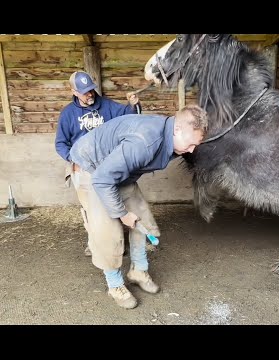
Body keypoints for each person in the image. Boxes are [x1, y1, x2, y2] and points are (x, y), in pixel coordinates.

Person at [69, 105, 208, 309]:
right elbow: (102, 180)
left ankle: (138, 271)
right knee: (107, 230)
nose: (192, 150)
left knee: (142, 217)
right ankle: (115, 284)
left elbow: (120, 171)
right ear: (177, 130)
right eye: (191, 143)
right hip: (92, 169)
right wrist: (122, 214)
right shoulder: (145, 142)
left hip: (115, 171)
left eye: (196, 145)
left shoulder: (173, 138)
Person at [55, 71, 142, 256]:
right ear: (74, 91)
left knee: (114, 203)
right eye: (85, 92)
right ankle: (94, 243)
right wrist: (73, 158)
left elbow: (128, 116)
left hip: (107, 166)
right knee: (90, 209)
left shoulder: (107, 106)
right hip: (83, 168)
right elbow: (60, 143)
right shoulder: (68, 114)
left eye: (91, 90)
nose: (90, 94)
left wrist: (133, 104)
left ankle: (117, 244)